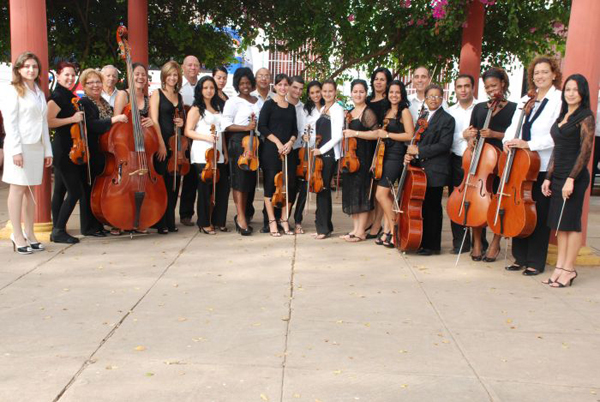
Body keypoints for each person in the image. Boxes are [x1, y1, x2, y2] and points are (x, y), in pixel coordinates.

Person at [503, 56, 562, 276]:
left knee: (538, 213)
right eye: (537, 73)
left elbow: (556, 135)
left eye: (545, 72)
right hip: (519, 163)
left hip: (543, 164)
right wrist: (507, 142)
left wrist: (529, 144)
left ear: (554, 74)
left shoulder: (559, 100)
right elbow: (512, 128)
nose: (540, 76)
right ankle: (520, 257)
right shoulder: (525, 99)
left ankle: (536, 261)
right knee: (519, 210)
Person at [542, 74, 595, 287]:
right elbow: (558, 149)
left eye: (575, 90)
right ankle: (559, 268)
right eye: (567, 90)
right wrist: (548, 177)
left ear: (582, 92)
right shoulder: (563, 115)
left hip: (574, 177)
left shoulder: (586, 117)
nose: (570, 94)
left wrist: (571, 179)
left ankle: (569, 269)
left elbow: (586, 151)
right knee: (560, 225)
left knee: (571, 225)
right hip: (559, 176)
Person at [463, 67, 517, 262]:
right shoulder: (479, 108)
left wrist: (494, 134)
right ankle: (477, 243)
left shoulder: (514, 108)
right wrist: (470, 139)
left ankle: (495, 242)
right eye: (487, 87)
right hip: (481, 161)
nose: (491, 90)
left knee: (500, 202)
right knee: (476, 201)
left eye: (494, 85)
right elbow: (472, 131)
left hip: (501, 159)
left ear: (503, 83)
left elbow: (515, 135)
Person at [1, 51, 52, 254]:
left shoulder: (39, 91)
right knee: (18, 190)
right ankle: (17, 234)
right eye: (27, 66)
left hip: (36, 147)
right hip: (19, 147)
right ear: (19, 70)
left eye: (34, 66)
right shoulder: (13, 90)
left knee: (31, 192)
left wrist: (47, 150)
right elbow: (10, 123)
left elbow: (43, 123)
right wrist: (15, 152)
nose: (31, 70)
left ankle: (30, 233)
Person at [405, 84, 454, 255]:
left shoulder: (447, 119)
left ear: (442, 99)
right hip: (421, 168)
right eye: (430, 96)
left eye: (437, 96)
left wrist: (419, 151)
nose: (433, 99)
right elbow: (416, 140)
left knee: (433, 208)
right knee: (421, 207)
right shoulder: (423, 116)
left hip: (436, 169)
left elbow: (444, 145)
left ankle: (432, 245)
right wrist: (411, 153)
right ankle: (420, 241)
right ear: (424, 99)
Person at [78, 68, 128, 237]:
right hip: (92, 150)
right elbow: (92, 125)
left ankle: (98, 223)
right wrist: (114, 119)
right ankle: (89, 227)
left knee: (98, 188)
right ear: (84, 86)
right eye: (90, 82)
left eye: (97, 81)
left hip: (104, 151)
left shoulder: (104, 102)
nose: (95, 85)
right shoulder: (85, 102)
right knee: (89, 189)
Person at [112, 63, 157, 235]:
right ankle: (119, 219)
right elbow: (116, 122)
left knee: (143, 182)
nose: (140, 77)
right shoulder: (123, 94)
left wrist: (151, 122)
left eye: (143, 75)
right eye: (137, 74)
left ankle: (140, 218)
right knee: (124, 182)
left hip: (141, 148)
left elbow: (152, 121)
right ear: (130, 76)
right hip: (126, 145)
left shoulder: (146, 99)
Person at [185, 76, 230, 234]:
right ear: (200, 90)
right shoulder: (197, 108)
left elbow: (221, 132)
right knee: (204, 189)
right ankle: (204, 222)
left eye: (211, 87)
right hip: (201, 152)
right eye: (205, 88)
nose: (209, 90)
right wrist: (206, 137)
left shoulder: (218, 106)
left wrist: (224, 150)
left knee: (223, 187)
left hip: (218, 153)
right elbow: (188, 131)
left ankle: (218, 220)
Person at [374, 80, 414, 247]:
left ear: (402, 94)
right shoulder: (387, 110)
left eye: (397, 92)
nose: (394, 95)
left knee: (381, 194)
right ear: (387, 94)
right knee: (387, 195)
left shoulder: (404, 111)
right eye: (391, 92)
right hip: (384, 154)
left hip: (396, 156)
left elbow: (409, 135)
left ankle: (392, 229)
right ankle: (387, 231)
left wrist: (388, 135)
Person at [47, 61, 84, 243]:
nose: (70, 78)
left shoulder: (67, 95)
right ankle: (59, 230)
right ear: (59, 75)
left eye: (72, 75)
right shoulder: (57, 96)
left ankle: (56, 229)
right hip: (63, 150)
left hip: (68, 147)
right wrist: (72, 118)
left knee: (60, 190)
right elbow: (48, 121)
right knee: (75, 191)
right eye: (66, 75)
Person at [340, 79, 380, 242]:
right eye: (355, 91)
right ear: (351, 93)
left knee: (362, 194)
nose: (358, 94)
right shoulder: (349, 112)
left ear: (366, 93)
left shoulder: (368, 112)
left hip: (363, 158)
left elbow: (376, 134)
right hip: (351, 158)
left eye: (361, 91)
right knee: (352, 194)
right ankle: (356, 229)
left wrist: (355, 133)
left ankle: (361, 231)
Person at [258, 73, 298, 237]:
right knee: (270, 185)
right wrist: (278, 143)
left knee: (288, 186)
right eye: (280, 85)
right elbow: (262, 127)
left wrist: (290, 142)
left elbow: (295, 129)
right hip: (271, 150)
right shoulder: (269, 105)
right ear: (275, 86)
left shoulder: (291, 107)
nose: (283, 87)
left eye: (285, 85)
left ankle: (284, 219)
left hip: (288, 151)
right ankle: (272, 221)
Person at [222, 67, 261, 236]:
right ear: (237, 85)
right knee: (239, 182)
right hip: (239, 142)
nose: (245, 86)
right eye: (241, 83)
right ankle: (241, 218)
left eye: (247, 82)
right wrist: (246, 127)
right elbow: (226, 125)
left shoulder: (258, 100)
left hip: (255, 143)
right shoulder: (232, 102)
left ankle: (245, 214)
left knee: (249, 183)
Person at [149, 61, 185, 234]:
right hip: (161, 142)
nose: (172, 77)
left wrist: (182, 121)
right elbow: (154, 120)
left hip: (175, 145)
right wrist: (161, 144)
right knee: (162, 184)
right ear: (164, 76)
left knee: (174, 183)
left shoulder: (179, 96)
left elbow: (183, 119)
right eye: (169, 74)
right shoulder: (157, 93)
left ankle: (170, 220)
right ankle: (160, 222)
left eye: (175, 75)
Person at [447, 74, 477, 254]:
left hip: (479, 162)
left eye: (467, 86)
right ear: (455, 89)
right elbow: (445, 139)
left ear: (472, 87)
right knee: (456, 201)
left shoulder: (482, 107)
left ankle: (480, 242)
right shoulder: (450, 111)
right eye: (459, 87)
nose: (463, 90)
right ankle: (460, 242)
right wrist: (462, 136)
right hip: (457, 160)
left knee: (478, 202)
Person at [309, 79, 343, 239]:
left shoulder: (337, 109)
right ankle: (323, 226)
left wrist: (320, 150)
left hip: (328, 154)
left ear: (335, 92)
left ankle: (323, 229)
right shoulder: (323, 108)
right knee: (320, 189)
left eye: (330, 91)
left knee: (323, 189)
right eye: (325, 91)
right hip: (320, 153)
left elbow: (337, 136)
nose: (327, 93)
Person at [365, 67, 392, 239]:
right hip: (367, 146)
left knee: (380, 189)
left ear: (387, 82)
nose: (379, 82)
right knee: (370, 187)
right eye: (376, 79)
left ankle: (377, 224)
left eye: (382, 79)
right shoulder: (367, 101)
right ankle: (371, 220)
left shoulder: (389, 101)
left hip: (384, 147)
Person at [251, 67, 276, 229]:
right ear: (256, 78)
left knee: (270, 179)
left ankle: (269, 218)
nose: (263, 79)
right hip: (252, 142)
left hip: (269, 143)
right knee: (249, 180)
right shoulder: (250, 97)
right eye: (260, 76)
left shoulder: (276, 97)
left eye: (266, 76)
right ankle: (246, 213)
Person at [179, 55, 201, 226]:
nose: (193, 68)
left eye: (196, 65)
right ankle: (185, 213)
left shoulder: (204, 86)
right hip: (183, 137)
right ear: (183, 67)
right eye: (189, 65)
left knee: (197, 175)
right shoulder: (178, 86)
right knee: (187, 175)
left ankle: (201, 212)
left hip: (201, 136)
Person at [287, 76, 308, 234]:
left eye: (301, 89)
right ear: (289, 87)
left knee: (303, 186)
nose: (298, 91)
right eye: (295, 87)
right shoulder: (279, 103)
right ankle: (283, 217)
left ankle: (298, 219)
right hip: (284, 150)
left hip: (300, 150)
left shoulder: (303, 108)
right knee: (287, 186)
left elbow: (305, 129)